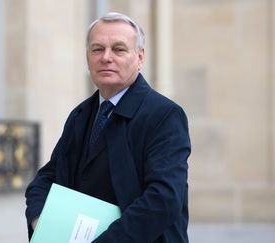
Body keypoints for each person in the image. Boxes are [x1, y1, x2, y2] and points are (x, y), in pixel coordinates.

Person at [25, 12, 191, 243]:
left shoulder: (164, 116)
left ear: (140, 57)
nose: (106, 57)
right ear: (87, 57)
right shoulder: (81, 115)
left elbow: (163, 200)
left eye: (119, 49)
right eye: (97, 49)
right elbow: (47, 178)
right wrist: (40, 222)